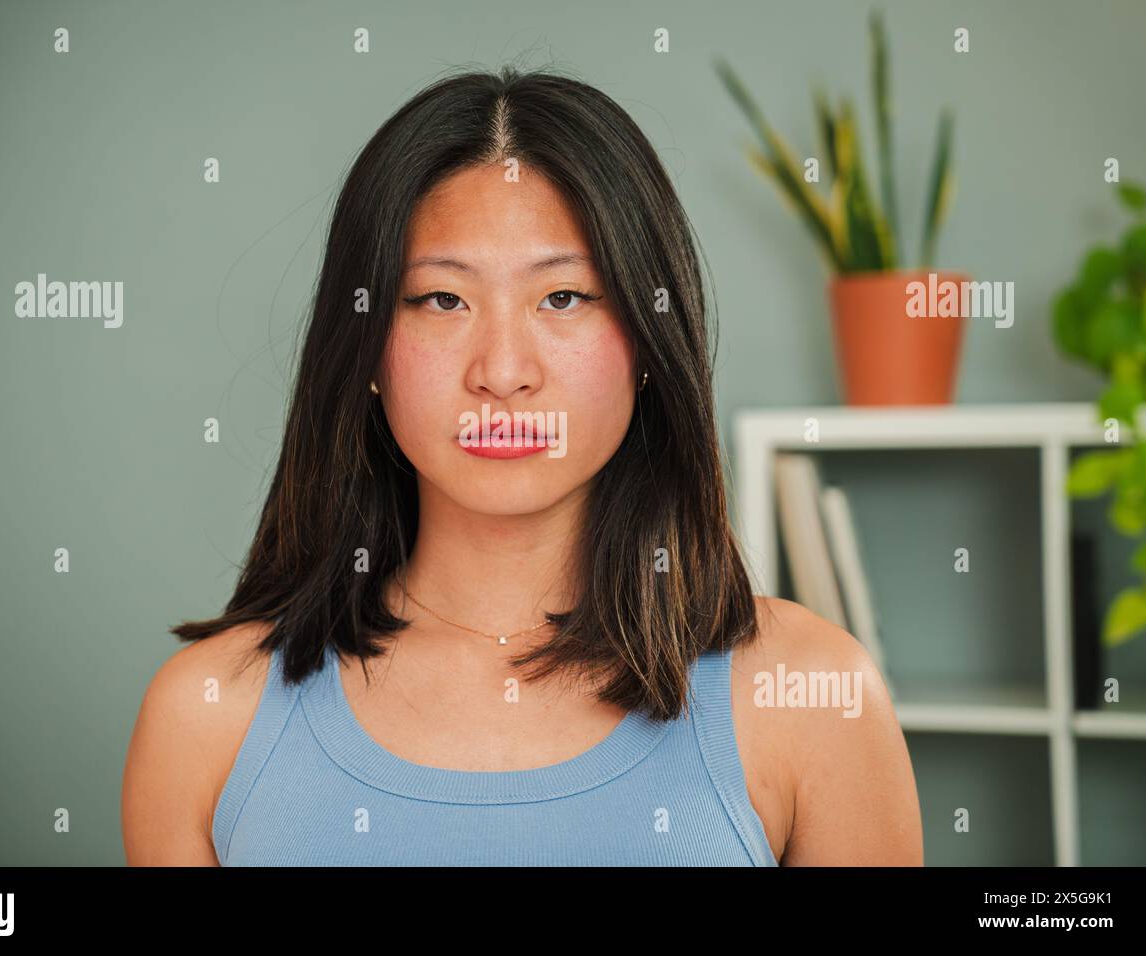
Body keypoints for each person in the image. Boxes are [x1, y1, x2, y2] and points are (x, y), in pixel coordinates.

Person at [121, 65, 922, 866]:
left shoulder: (813, 697)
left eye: (564, 297)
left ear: (648, 340)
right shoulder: (207, 715)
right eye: (442, 300)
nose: (503, 372)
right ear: (364, 346)